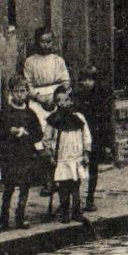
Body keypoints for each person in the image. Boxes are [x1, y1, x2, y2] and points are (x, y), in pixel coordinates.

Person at [0, 77, 45, 230]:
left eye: (23, 91)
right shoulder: (4, 113)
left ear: (27, 92)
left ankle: (20, 217)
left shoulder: (30, 113)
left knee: (24, 186)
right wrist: (9, 132)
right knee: (9, 187)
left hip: (25, 155)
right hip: (10, 155)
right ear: (11, 93)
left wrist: (26, 132)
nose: (20, 95)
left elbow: (39, 134)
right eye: (16, 91)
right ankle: (4, 218)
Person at [44, 83, 91, 223]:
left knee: (76, 186)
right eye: (61, 101)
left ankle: (76, 211)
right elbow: (47, 139)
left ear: (71, 101)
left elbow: (86, 136)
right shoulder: (53, 120)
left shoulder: (79, 118)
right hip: (62, 158)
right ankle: (64, 212)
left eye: (67, 100)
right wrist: (51, 155)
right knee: (63, 187)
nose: (64, 103)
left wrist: (86, 153)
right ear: (56, 103)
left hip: (76, 157)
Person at [22, 28, 70, 129]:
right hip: (37, 98)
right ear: (37, 42)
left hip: (56, 97)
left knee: (57, 128)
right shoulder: (30, 61)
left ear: (52, 42)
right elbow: (28, 84)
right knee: (41, 127)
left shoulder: (58, 60)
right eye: (42, 42)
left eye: (48, 42)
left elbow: (65, 81)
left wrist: (56, 97)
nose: (45, 45)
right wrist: (38, 98)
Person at [74, 65, 107, 211]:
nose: (87, 83)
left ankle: (90, 199)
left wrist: (105, 142)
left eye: (90, 80)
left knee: (93, 169)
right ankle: (75, 200)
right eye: (84, 80)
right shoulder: (77, 97)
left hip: (95, 137)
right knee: (76, 169)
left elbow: (104, 120)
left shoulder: (100, 97)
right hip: (78, 137)